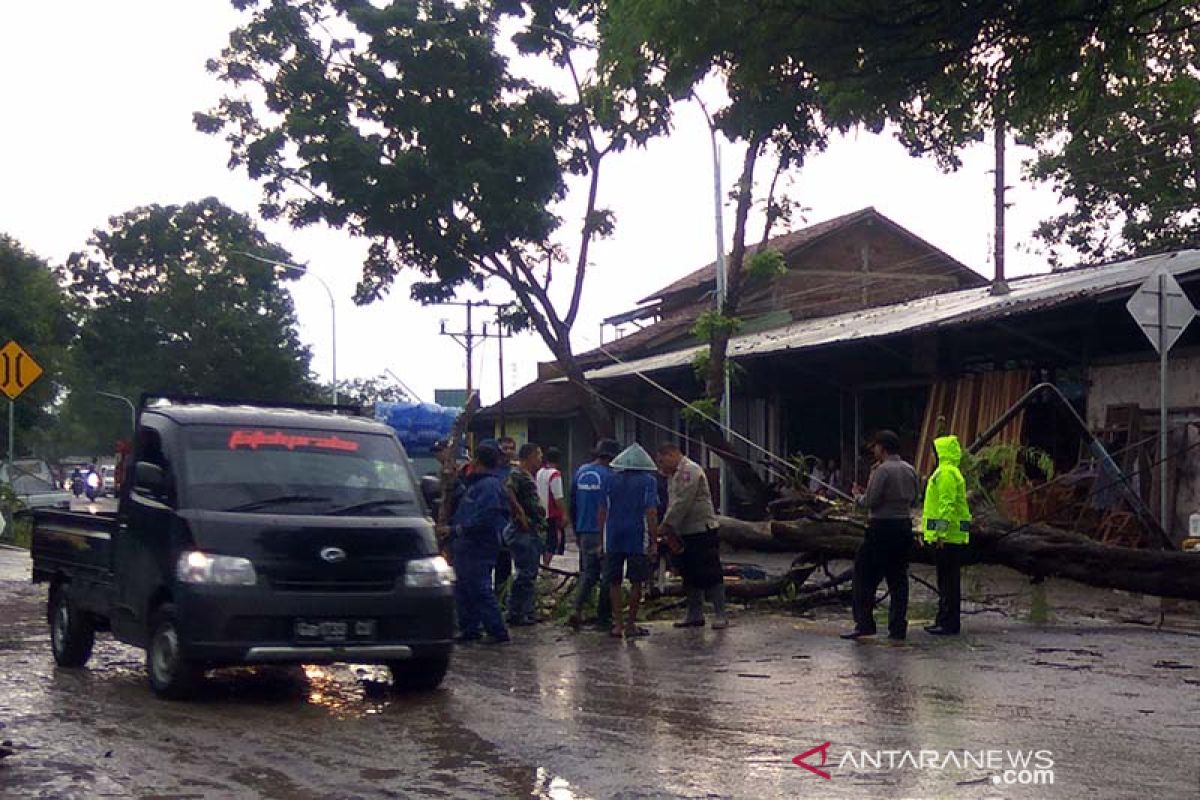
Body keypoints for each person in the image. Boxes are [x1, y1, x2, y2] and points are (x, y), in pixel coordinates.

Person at [842, 430, 919, 642]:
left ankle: (865, 624)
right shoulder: (910, 469)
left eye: (875, 446)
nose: (873, 450)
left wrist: (857, 496)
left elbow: (871, 501)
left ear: (882, 448)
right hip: (903, 527)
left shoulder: (882, 470)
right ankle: (897, 628)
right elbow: (915, 498)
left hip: (881, 528)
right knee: (898, 580)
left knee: (863, 575)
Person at [436, 443, 509, 644]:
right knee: (464, 588)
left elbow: (485, 518)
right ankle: (470, 628)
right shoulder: (475, 485)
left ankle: (496, 630)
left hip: (478, 546)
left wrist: (455, 530)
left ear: (477, 461)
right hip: (466, 546)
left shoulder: (489, 487)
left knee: (479, 588)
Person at [656, 442, 728, 630]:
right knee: (688, 573)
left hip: (701, 529)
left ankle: (721, 614)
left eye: (662, 461)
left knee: (710, 572)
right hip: (683, 531)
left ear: (672, 454)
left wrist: (666, 525)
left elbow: (682, 502)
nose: (661, 466)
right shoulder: (672, 475)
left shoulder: (690, 470)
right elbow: (672, 503)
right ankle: (695, 613)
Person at [598, 444, 659, 638]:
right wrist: (654, 540)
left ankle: (617, 624)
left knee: (613, 581)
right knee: (636, 581)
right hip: (636, 536)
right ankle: (631, 624)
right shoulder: (648, 481)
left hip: (613, 536)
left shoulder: (609, 479)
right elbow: (651, 511)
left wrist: (601, 539)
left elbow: (601, 511)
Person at [922, 435, 972, 636]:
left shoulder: (945, 474)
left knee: (948, 582)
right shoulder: (950, 472)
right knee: (947, 582)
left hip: (948, 537)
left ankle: (947, 623)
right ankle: (945, 620)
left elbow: (946, 505)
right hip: (951, 535)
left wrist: (940, 533)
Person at [567, 438, 620, 629]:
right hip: (603, 531)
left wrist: (576, 529)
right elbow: (611, 507)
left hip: (583, 530)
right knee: (608, 575)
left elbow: (571, 502)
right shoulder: (611, 476)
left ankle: (576, 609)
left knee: (588, 573)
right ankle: (603, 618)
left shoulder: (581, 471)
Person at [505, 443, 547, 627]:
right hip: (523, 530)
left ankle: (527, 611)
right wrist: (520, 512)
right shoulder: (517, 473)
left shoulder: (529, 475)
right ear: (529, 456)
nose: (540, 460)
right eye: (538, 455)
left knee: (530, 573)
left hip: (533, 529)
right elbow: (508, 491)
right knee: (525, 574)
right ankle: (516, 612)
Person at [537, 447, 568, 568]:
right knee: (553, 540)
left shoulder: (540, 472)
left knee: (544, 540)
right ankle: (546, 565)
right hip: (552, 513)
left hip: (540, 512)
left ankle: (543, 564)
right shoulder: (555, 474)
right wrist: (564, 514)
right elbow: (558, 497)